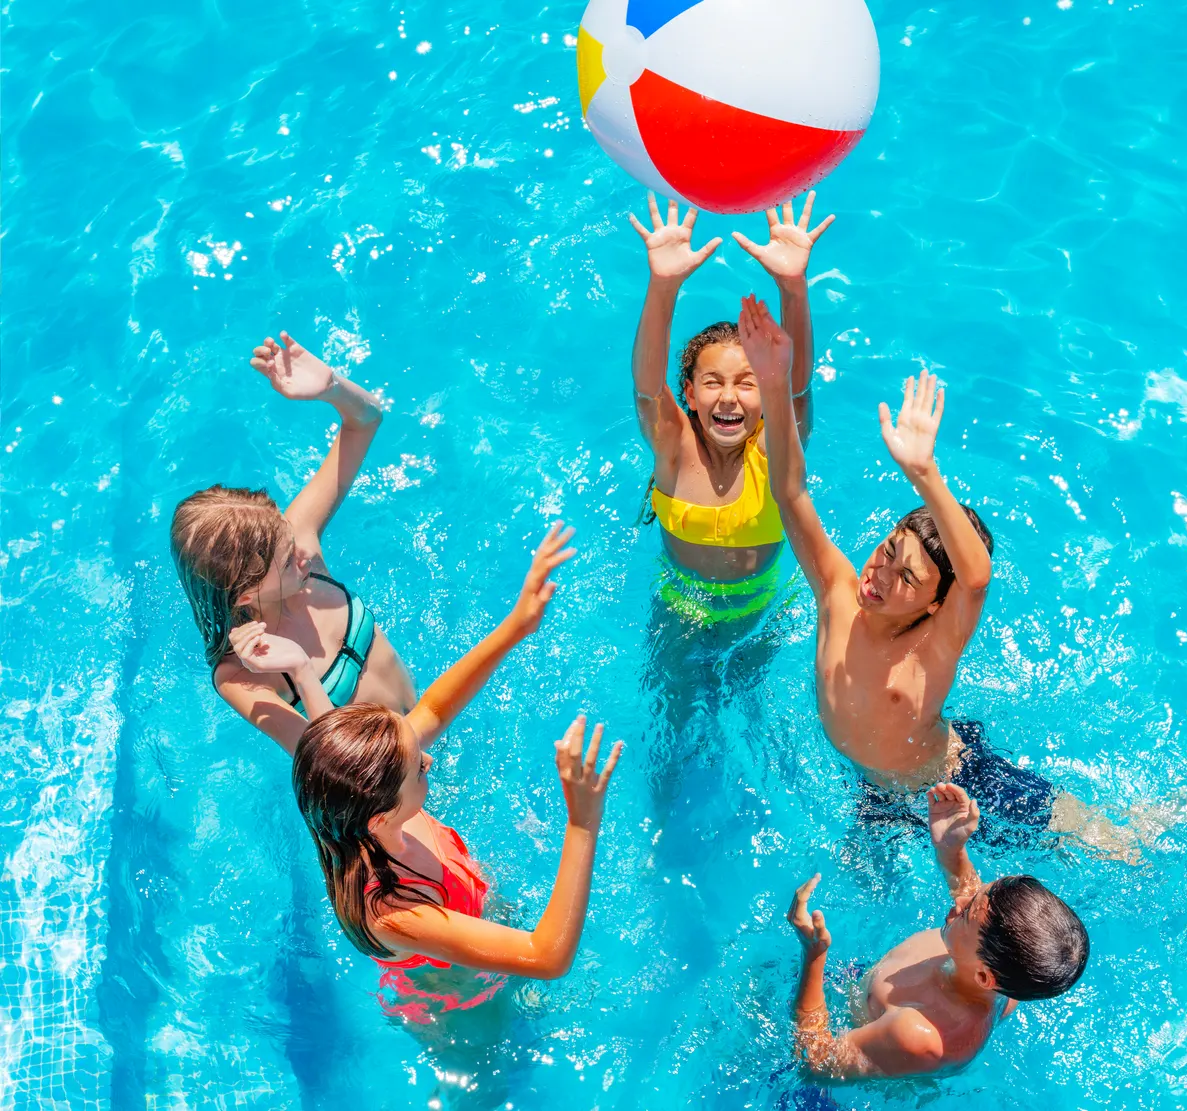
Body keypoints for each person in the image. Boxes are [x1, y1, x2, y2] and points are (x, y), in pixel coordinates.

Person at [738, 297, 1123, 848]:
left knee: (1096, 842)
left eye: (909, 579)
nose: (881, 574)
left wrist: (924, 473)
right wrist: (774, 384)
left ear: (934, 605)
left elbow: (975, 580)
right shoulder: (837, 594)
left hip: (953, 786)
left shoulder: (932, 649)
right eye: (889, 549)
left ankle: (1157, 823)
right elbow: (788, 490)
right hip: (872, 788)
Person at [290, 524, 621, 1008]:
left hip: (465, 903)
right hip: (456, 995)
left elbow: (434, 711)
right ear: (380, 816)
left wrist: (517, 625)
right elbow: (547, 957)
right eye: (418, 770)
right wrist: (583, 821)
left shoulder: (354, 803)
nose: (429, 757)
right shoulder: (393, 912)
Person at [171, 330, 415, 752]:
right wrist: (301, 671)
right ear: (245, 596)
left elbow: (367, 421)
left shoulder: (296, 540)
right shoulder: (243, 675)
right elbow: (334, 768)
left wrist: (332, 389)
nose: (303, 555)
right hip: (385, 799)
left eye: (290, 541)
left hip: (427, 731)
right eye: (286, 563)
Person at [625, 191, 831, 631]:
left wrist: (792, 286)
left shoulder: (774, 453)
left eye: (748, 383)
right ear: (691, 394)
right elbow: (646, 392)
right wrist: (663, 285)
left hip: (758, 617)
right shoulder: (674, 447)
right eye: (713, 382)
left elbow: (795, 390)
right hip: (678, 613)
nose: (729, 397)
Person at [786, 784, 1088, 1078]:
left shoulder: (920, 1034)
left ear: (983, 976)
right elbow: (975, 901)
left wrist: (813, 955)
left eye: (966, 913)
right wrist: (951, 850)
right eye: (978, 893)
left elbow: (815, 1061)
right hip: (862, 988)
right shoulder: (1008, 968)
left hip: (858, 1056)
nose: (959, 900)